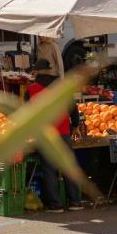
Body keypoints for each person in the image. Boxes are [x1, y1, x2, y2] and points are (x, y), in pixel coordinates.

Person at [26, 59, 83, 212]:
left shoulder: (31, 89)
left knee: (49, 170)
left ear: (37, 72)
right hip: (64, 132)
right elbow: (73, 108)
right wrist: (76, 126)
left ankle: (55, 204)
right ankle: (75, 202)